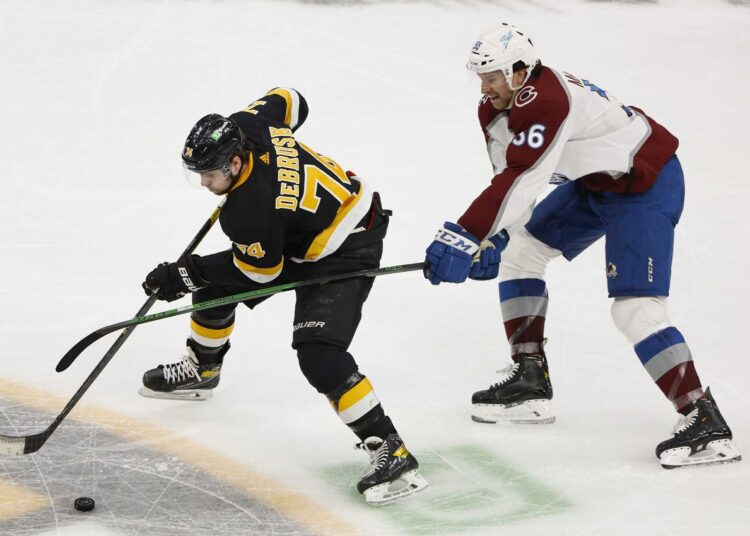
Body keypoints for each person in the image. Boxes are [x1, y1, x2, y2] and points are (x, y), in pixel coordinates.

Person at [424, 23, 741, 468]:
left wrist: (467, 233)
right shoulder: (496, 106)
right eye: (480, 76)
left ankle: (704, 420)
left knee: (635, 309)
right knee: (521, 252)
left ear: (519, 71)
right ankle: (530, 378)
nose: (484, 86)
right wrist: (494, 236)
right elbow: (510, 179)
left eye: (492, 75)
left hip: (645, 184)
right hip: (597, 184)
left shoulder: (546, 100)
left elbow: (523, 178)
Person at [139, 87, 428, 504]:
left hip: (347, 247)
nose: (204, 183)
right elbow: (291, 98)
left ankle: (390, 447)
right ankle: (204, 368)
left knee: (318, 352)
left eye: (210, 175)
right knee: (214, 286)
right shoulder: (250, 123)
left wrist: (186, 273)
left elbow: (258, 273)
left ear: (235, 161)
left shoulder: (250, 212)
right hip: (306, 227)